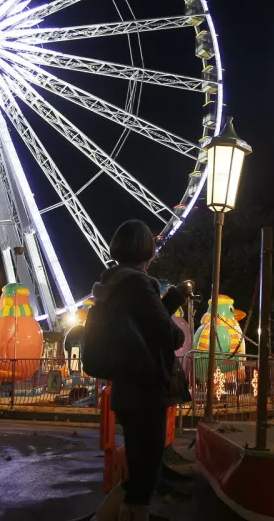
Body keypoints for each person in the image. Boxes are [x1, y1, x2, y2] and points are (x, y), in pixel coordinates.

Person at [89, 219, 189, 521]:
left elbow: (139, 324)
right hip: (146, 390)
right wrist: (176, 327)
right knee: (146, 474)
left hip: (126, 388)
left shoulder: (112, 285)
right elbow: (166, 334)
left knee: (139, 469)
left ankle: (116, 515)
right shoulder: (137, 283)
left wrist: (169, 301)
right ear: (148, 250)